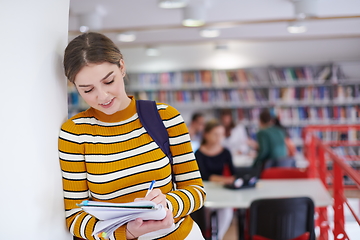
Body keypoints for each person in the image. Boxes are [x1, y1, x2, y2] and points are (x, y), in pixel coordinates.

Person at [59, 32, 205, 240]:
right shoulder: (74, 134)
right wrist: (125, 232)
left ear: (122, 67)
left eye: (109, 81)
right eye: (88, 89)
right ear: (75, 87)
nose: (102, 96)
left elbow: (196, 190)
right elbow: (74, 217)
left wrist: (168, 203)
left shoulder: (166, 117)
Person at [195, 120, 235, 240]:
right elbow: (202, 175)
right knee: (203, 212)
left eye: (221, 135)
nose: (219, 138)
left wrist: (227, 180)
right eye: (215, 134)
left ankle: (217, 237)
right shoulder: (199, 153)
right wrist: (222, 179)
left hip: (222, 192)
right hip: (206, 191)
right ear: (206, 135)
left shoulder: (226, 152)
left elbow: (233, 174)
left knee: (227, 209)